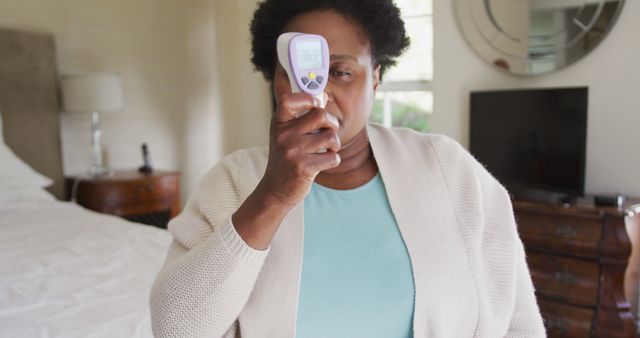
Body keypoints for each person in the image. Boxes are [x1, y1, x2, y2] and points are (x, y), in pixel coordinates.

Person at [150, 1, 546, 337]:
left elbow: (518, 322)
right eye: (297, 72)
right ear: (273, 79)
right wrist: (272, 195)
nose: (319, 93)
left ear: (375, 76)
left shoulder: (449, 169)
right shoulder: (232, 182)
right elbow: (176, 328)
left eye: (340, 72)